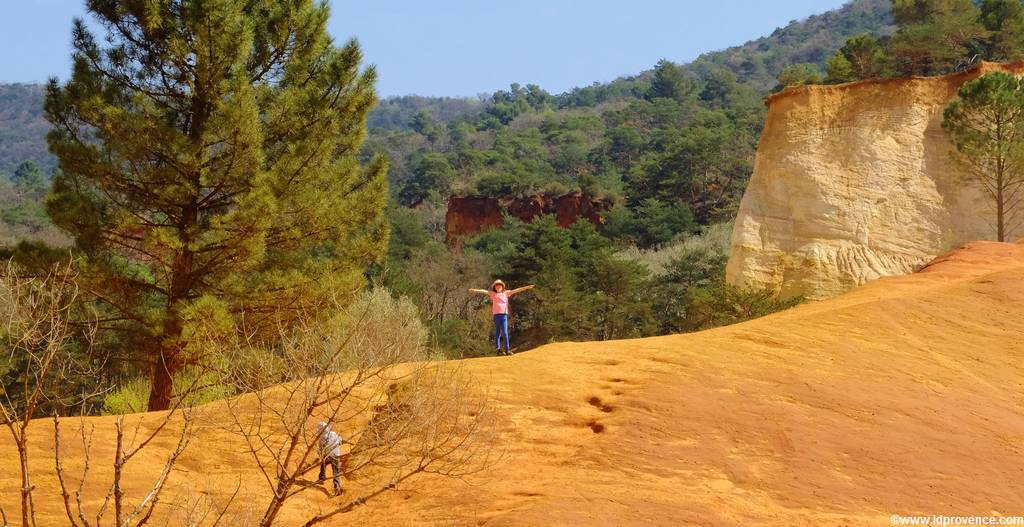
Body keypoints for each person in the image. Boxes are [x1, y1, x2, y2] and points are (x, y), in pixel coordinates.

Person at [469, 279, 535, 355]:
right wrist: (474, 290)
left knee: (505, 333)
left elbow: (517, 290)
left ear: (502, 286)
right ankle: (498, 350)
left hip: (504, 315)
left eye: (499, 285)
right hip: (496, 316)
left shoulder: (506, 293)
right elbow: (483, 291)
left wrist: (527, 287)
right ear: (495, 287)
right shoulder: (493, 293)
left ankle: (507, 350)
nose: (498, 286)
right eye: (497, 285)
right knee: (497, 332)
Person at [315, 421, 343, 496]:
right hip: (336, 455)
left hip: (327, 455)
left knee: (323, 464)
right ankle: (337, 486)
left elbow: (321, 449)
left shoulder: (321, 438)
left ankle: (321, 478)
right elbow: (340, 440)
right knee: (336, 471)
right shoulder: (333, 433)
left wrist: (321, 455)